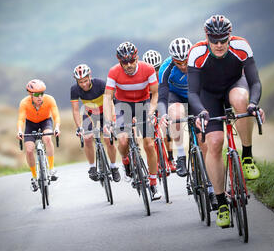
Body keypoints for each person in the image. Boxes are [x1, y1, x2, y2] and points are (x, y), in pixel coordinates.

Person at [188, 14, 265, 227]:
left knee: (241, 100)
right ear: (207, 36)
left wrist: (254, 104)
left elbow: (255, 82)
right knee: (213, 143)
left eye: (223, 39)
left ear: (230, 35)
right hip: (208, 96)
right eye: (214, 40)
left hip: (234, 85)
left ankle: (247, 157)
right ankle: (221, 202)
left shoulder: (241, 46)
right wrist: (201, 111)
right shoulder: (197, 53)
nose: (219, 44)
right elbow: (192, 92)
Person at [103, 41, 162, 200]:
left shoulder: (148, 69)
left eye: (132, 61)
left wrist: (151, 111)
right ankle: (126, 161)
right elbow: (108, 97)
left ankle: (153, 183)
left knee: (149, 144)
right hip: (122, 106)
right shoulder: (114, 72)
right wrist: (108, 121)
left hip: (144, 104)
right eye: (124, 62)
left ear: (137, 58)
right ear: (119, 61)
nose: (129, 65)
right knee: (122, 141)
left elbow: (155, 94)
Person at [70, 64, 120, 182]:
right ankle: (92, 167)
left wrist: (111, 121)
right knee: (87, 138)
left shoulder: (100, 84)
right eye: (80, 82)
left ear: (90, 77)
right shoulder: (74, 89)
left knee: (108, 139)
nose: (83, 84)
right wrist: (79, 127)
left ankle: (113, 167)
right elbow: (76, 110)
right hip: (90, 114)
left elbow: (111, 103)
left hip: (105, 112)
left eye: (85, 81)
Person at [157, 37, 194, 178]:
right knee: (176, 114)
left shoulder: (198, 62)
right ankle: (181, 156)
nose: (184, 66)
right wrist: (162, 114)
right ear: (173, 59)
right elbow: (162, 96)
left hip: (195, 95)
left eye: (186, 61)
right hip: (175, 95)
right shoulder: (166, 68)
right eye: (179, 63)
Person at [17, 79, 61, 192]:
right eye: (37, 94)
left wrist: (57, 128)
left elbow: (56, 115)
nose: (40, 96)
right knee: (29, 150)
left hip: (45, 121)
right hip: (30, 124)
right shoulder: (24, 103)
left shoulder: (50, 99)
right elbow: (21, 119)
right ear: (30, 94)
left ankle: (51, 169)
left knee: (47, 138)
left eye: (42, 93)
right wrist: (19, 131)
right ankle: (34, 177)